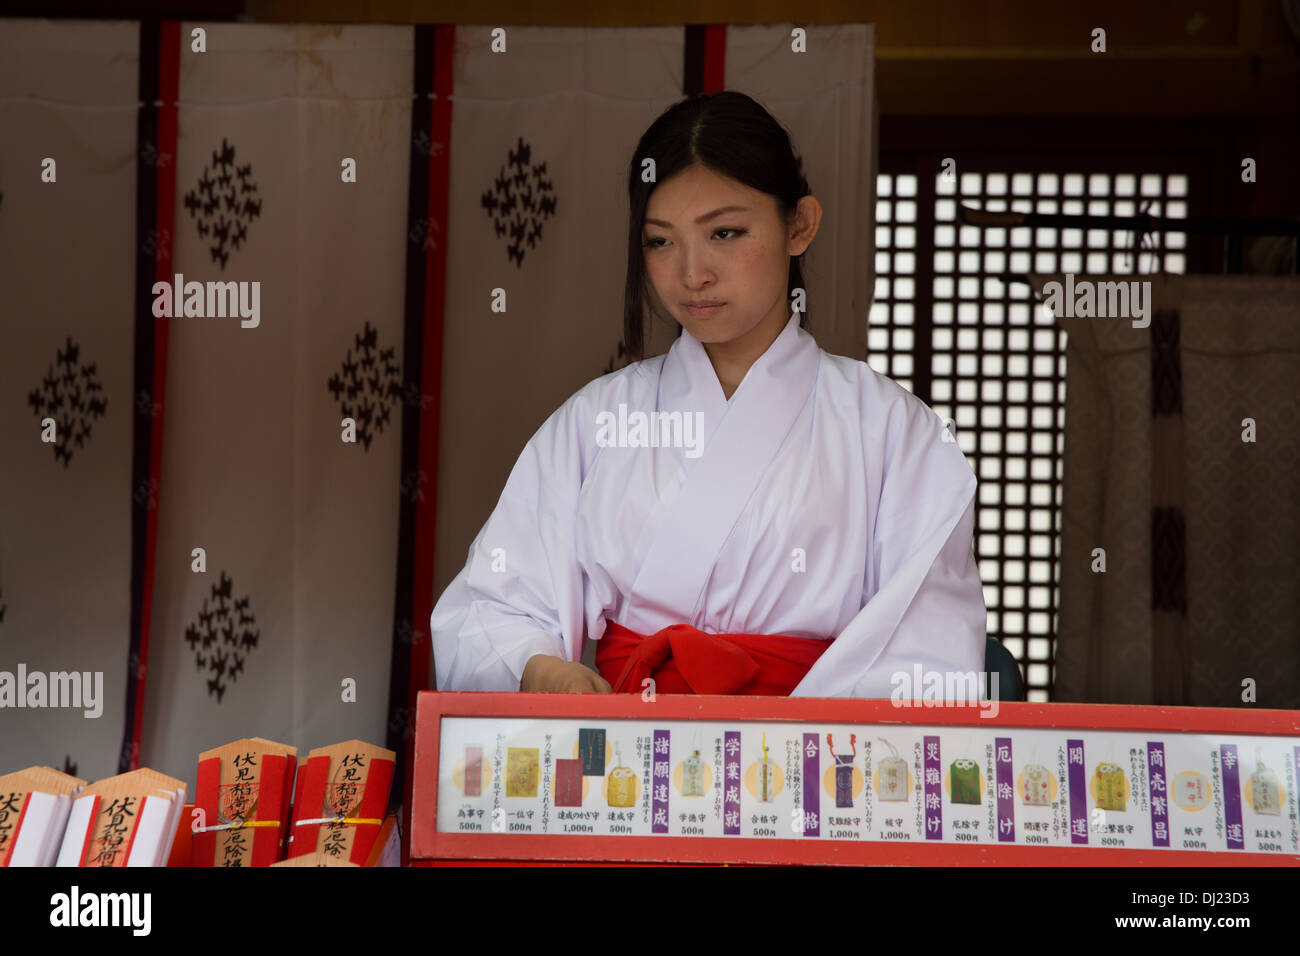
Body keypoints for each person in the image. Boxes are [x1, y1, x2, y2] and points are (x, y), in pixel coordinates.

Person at [430, 91, 986, 697]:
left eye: (725, 231)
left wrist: (780, 748)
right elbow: (492, 606)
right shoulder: (596, 422)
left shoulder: (891, 429)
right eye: (661, 241)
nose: (693, 273)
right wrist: (541, 670)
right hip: (629, 757)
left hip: (806, 768)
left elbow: (929, 642)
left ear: (799, 225)